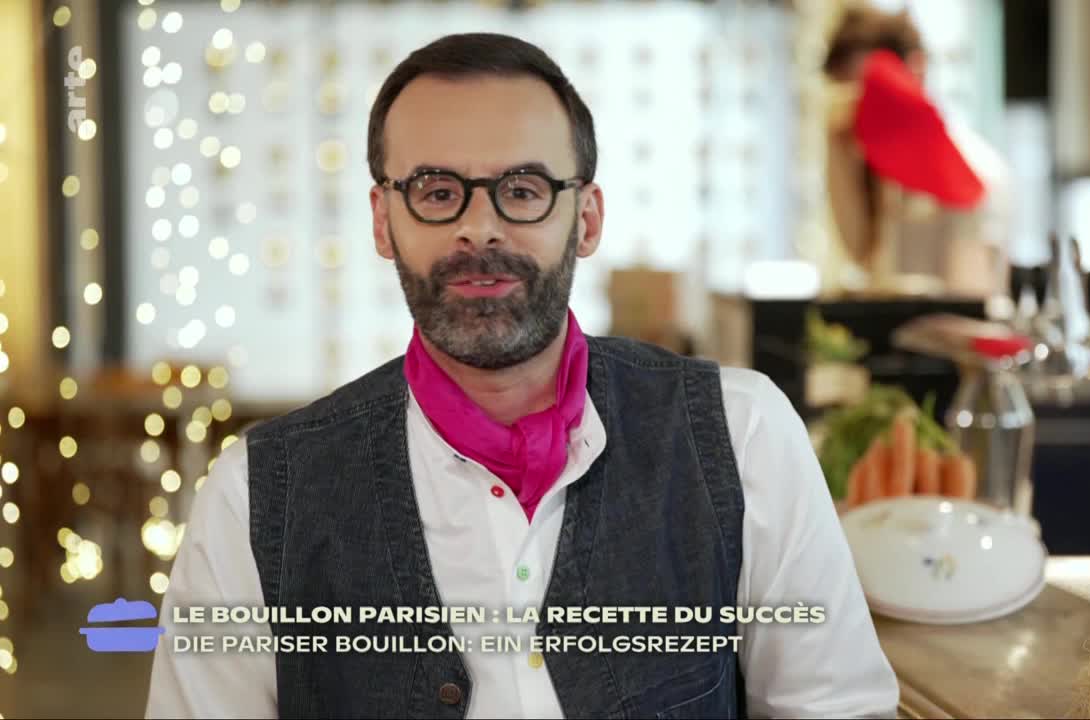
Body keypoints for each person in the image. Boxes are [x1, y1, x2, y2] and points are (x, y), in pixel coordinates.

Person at [145, 32, 899, 719]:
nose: (481, 228)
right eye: (437, 192)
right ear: (382, 221)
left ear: (588, 218)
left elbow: (836, 709)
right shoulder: (256, 498)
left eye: (525, 188)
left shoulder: (743, 436)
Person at [823, 4, 1011, 299]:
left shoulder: (972, 166)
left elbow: (971, 293)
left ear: (915, 68)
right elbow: (859, 249)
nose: (858, 109)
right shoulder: (875, 172)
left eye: (870, 90)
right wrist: (838, 152)